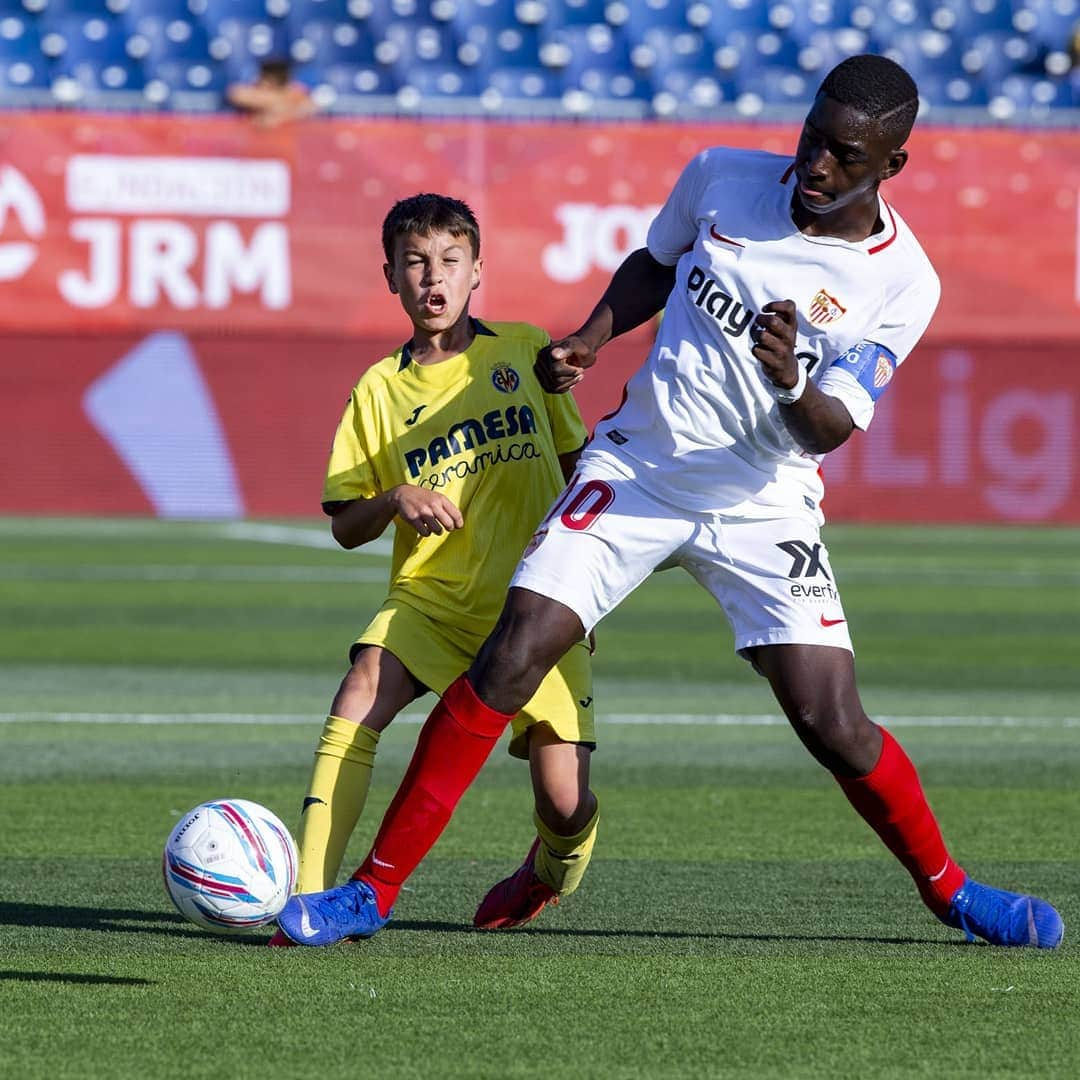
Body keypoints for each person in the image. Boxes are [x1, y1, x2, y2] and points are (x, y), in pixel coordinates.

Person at [277, 55, 1064, 950]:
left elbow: (825, 430)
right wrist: (589, 337)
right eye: (811, 139)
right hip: (641, 469)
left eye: (845, 156)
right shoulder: (721, 177)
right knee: (511, 654)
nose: (814, 167)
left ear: (892, 165)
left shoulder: (904, 283)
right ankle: (370, 895)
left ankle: (952, 893)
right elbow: (655, 266)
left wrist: (789, 377)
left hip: (763, 498)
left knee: (832, 723)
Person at [272, 194, 599, 946]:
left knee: (563, 800)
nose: (433, 278)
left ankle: (551, 867)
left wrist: (594, 574)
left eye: (450, 261)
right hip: (431, 600)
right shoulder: (377, 391)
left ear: (478, 271)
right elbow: (347, 525)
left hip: (534, 608)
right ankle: (311, 900)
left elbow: (581, 466)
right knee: (358, 693)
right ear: (390, 275)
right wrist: (394, 497)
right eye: (415, 263)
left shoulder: (525, 351)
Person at [226, 58, 315, 128]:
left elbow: (310, 107)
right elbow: (236, 94)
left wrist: (279, 117)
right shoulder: (253, 87)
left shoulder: (295, 90)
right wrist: (278, 105)